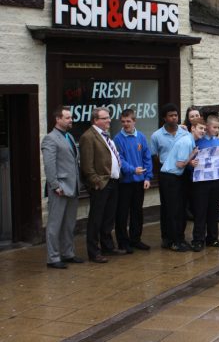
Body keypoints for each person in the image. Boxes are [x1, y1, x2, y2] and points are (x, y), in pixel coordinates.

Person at [80, 107, 125, 263]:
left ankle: (108, 246)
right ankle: (94, 252)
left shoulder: (105, 135)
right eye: (105, 118)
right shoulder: (88, 137)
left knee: (108, 217)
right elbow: (87, 165)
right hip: (101, 184)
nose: (109, 120)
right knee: (96, 219)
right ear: (95, 120)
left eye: (109, 117)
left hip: (113, 181)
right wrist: (96, 182)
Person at [41, 106, 83, 269]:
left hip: (73, 187)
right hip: (59, 188)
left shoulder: (70, 137)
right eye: (67, 118)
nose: (71, 120)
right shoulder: (50, 139)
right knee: (55, 224)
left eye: (71, 117)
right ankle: (53, 258)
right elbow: (49, 165)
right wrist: (55, 184)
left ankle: (68, 253)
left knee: (69, 223)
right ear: (57, 119)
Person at [159, 117, 205, 251]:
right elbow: (180, 164)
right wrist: (192, 156)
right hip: (170, 177)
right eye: (200, 128)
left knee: (177, 210)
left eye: (204, 129)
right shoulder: (187, 142)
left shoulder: (188, 139)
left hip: (174, 177)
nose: (202, 131)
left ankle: (175, 239)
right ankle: (175, 242)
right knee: (174, 211)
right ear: (193, 128)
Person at [113, 109, 153, 253]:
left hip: (139, 181)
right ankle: (123, 242)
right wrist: (132, 169)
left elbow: (147, 157)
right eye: (123, 121)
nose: (125, 124)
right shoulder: (118, 139)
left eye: (128, 121)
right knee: (122, 213)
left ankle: (136, 239)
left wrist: (148, 177)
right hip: (125, 182)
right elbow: (120, 159)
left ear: (134, 121)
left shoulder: (141, 137)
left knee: (137, 212)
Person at [150, 103, 189, 249]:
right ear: (164, 118)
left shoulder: (185, 133)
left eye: (176, 115)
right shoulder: (157, 136)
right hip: (167, 175)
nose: (174, 118)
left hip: (183, 174)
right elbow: (154, 155)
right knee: (169, 207)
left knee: (182, 206)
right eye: (171, 116)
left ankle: (180, 237)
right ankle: (169, 239)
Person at [191, 115, 219, 251]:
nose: (217, 130)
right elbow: (189, 158)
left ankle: (213, 238)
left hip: (216, 180)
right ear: (207, 127)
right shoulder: (197, 142)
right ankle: (198, 239)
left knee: (214, 211)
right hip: (201, 182)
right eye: (215, 127)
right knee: (200, 210)